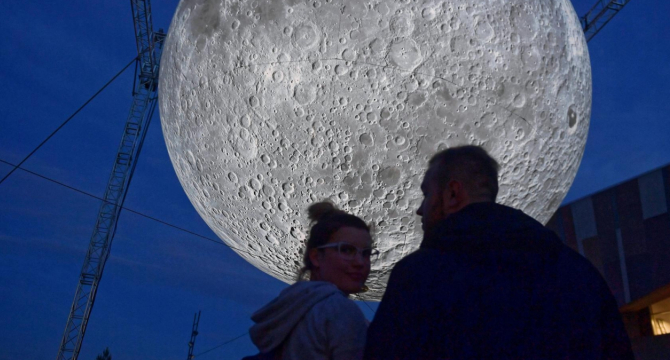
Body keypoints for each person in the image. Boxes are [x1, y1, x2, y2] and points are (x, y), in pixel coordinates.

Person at [364, 145, 633, 359]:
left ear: (453, 194)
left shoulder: (420, 276)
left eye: (426, 194)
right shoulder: (581, 275)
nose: (419, 210)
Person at [246, 201, 377, 360]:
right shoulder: (340, 310)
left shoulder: (289, 308)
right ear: (316, 257)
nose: (360, 262)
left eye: (366, 253)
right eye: (347, 250)